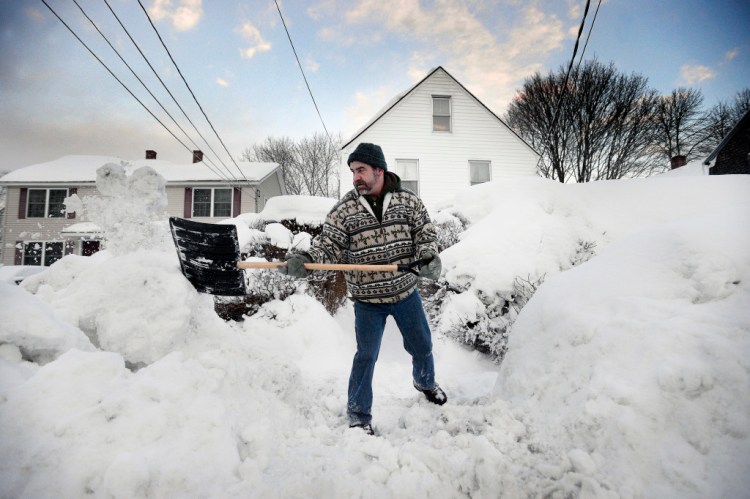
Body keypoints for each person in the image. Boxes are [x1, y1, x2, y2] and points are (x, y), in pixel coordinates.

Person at [280, 142, 447, 436]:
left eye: (361, 170)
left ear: (379, 170)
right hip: (368, 300)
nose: (356, 177)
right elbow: (328, 245)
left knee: (422, 345)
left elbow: (424, 232)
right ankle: (358, 413)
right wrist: (306, 261)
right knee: (366, 356)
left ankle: (425, 381)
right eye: (353, 172)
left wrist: (428, 256)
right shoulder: (345, 209)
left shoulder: (408, 202)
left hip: (405, 292)